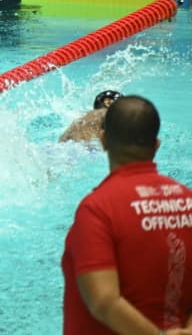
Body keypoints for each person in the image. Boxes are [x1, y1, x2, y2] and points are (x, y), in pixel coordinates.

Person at [61, 95, 192, 335]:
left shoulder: (97, 209)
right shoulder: (188, 199)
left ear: (103, 140)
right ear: (157, 145)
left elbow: (103, 300)